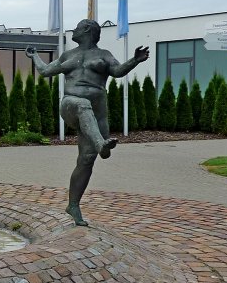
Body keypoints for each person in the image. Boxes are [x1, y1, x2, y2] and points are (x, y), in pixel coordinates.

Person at [26, 18, 149, 226]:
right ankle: (101, 143)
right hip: (71, 105)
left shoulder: (104, 55)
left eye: (76, 28)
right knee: (83, 105)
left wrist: (134, 60)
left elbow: (117, 72)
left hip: (98, 112)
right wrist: (35, 56)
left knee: (86, 159)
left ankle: (73, 205)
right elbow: (46, 71)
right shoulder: (68, 55)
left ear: (87, 30)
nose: (73, 31)